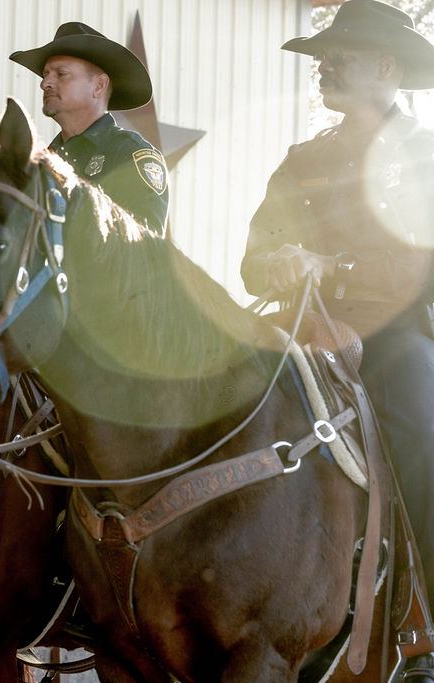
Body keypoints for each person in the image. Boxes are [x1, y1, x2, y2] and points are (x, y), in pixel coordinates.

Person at [242, 2, 434, 675]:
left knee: (424, 434)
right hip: (299, 332)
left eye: (340, 54)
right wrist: (277, 260)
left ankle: (425, 625)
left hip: (391, 334)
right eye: (324, 55)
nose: (324, 65)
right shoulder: (304, 159)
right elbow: (252, 259)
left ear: (385, 66)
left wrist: (333, 266)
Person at [10, 21, 169, 234]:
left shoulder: (129, 154)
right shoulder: (41, 162)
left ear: (99, 85)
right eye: (46, 74)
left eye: (61, 74)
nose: (45, 83)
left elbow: (147, 245)